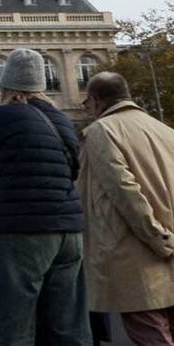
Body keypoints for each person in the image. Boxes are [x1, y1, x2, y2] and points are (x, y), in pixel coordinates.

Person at [0, 48, 90, 345]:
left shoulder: (3, 116)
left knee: (14, 324)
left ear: (8, 83)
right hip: (68, 232)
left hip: (23, 230)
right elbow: (73, 168)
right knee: (67, 326)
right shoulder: (60, 120)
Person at [79, 71, 174, 345]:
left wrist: (159, 238)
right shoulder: (164, 130)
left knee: (152, 337)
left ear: (95, 100)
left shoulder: (102, 131)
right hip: (165, 253)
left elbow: (125, 192)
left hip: (138, 256)